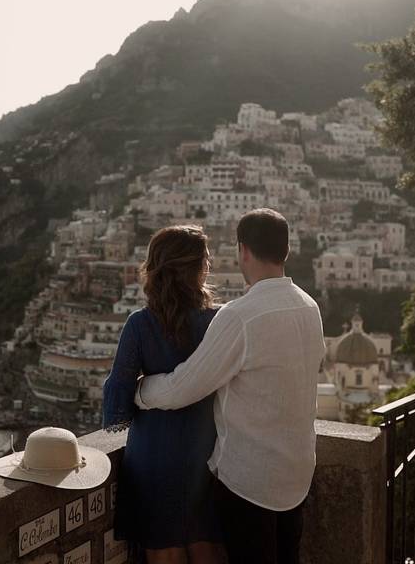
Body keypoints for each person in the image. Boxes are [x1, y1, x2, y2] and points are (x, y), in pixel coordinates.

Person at [135, 208, 326, 564]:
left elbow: (184, 387)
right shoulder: (309, 306)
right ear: (285, 250)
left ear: (243, 250)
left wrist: (141, 391)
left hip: (250, 482)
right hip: (297, 475)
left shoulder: (240, 315)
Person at [101, 225, 225, 564]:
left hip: (153, 455)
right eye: (206, 260)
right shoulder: (220, 322)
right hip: (208, 451)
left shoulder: (140, 324)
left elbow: (117, 403)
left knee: (164, 552)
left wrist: (146, 386)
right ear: (197, 268)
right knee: (208, 547)